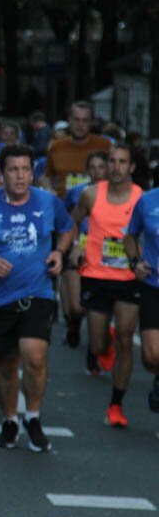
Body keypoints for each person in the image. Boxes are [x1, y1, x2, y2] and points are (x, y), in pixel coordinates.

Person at [0, 144, 73, 452]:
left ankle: (33, 416)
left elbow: (67, 228)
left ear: (32, 172)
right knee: (6, 365)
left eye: (25, 169)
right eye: (13, 170)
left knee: (34, 355)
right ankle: (10, 420)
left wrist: (59, 252)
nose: (20, 176)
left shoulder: (47, 202)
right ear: (1, 173)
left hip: (37, 291)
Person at [69, 143, 142, 427]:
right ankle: (104, 343)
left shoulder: (141, 199)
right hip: (96, 275)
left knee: (126, 338)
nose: (116, 167)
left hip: (128, 277)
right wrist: (76, 246)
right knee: (98, 345)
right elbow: (72, 222)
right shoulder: (90, 194)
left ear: (132, 167)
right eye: (112, 161)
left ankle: (116, 404)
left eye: (122, 162)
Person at [60, 151, 108, 348]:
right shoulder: (77, 192)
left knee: (98, 306)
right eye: (93, 167)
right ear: (87, 170)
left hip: (105, 254)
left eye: (101, 167)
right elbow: (68, 221)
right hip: (80, 250)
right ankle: (73, 323)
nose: (97, 172)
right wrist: (74, 244)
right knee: (77, 307)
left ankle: (93, 350)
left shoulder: (116, 195)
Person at [124, 182, 159, 413]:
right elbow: (131, 235)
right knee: (151, 357)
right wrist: (135, 262)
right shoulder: (148, 201)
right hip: (153, 286)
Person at [42, 101, 112, 198]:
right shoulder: (56, 147)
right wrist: (49, 190)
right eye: (76, 120)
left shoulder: (105, 145)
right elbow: (47, 176)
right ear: (69, 120)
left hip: (95, 204)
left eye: (85, 120)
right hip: (63, 206)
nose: (80, 125)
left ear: (91, 122)